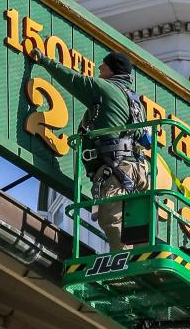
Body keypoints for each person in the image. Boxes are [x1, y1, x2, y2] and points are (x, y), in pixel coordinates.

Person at [30, 48, 150, 251]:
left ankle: (124, 269)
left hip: (116, 169)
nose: (99, 67)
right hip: (138, 170)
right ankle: (145, 265)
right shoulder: (137, 103)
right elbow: (144, 137)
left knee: (111, 220)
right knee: (138, 226)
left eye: (104, 64)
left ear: (112, 70)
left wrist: (44, 61)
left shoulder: (103, 88)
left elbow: (72, 79)